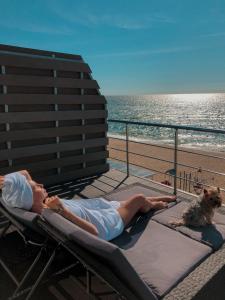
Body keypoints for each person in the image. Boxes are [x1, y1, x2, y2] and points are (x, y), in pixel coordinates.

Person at [0, 170, 176, 241]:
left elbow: (24, 174)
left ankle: (149, 202)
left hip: (95, 209)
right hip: (107, 223)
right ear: (29, 197)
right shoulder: (53, 213)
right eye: (35, 187)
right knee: (138, 198)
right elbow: (94, 233)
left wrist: (8, 181)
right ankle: (150, 206)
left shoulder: (37, 205)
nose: (39, 184)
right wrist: (62, 210)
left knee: (129, 200)